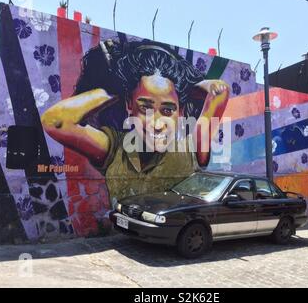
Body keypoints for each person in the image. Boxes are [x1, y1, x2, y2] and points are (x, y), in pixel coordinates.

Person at [41, 40, 230, 204]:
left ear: (180, 112)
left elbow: (220, 92)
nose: (157, 124)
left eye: (167, 110)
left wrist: (192, 88)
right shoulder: (115, 148)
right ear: (129, 106)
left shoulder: (191, 150)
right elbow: (55, 121)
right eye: (145, 108)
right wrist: (114, 90)